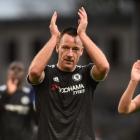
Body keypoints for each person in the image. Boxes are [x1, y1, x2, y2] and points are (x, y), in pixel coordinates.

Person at [27, 7, 110, 140]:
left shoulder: (86, 74)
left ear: (82, 51)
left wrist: (82, 34)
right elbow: (34, 72)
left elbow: (104, 67)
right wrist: (54, 37)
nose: (70, 54)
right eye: (65, 47)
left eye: (75, 49)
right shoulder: (46, 74)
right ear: (57, 48)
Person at [0, 61, 35, 140]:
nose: (15, 71)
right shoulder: (1, 92)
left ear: (25, 74)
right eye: (12, 69)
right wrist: (7, 94)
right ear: (7, 72)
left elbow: (36, 119)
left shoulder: (29, 94)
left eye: (19, 70)